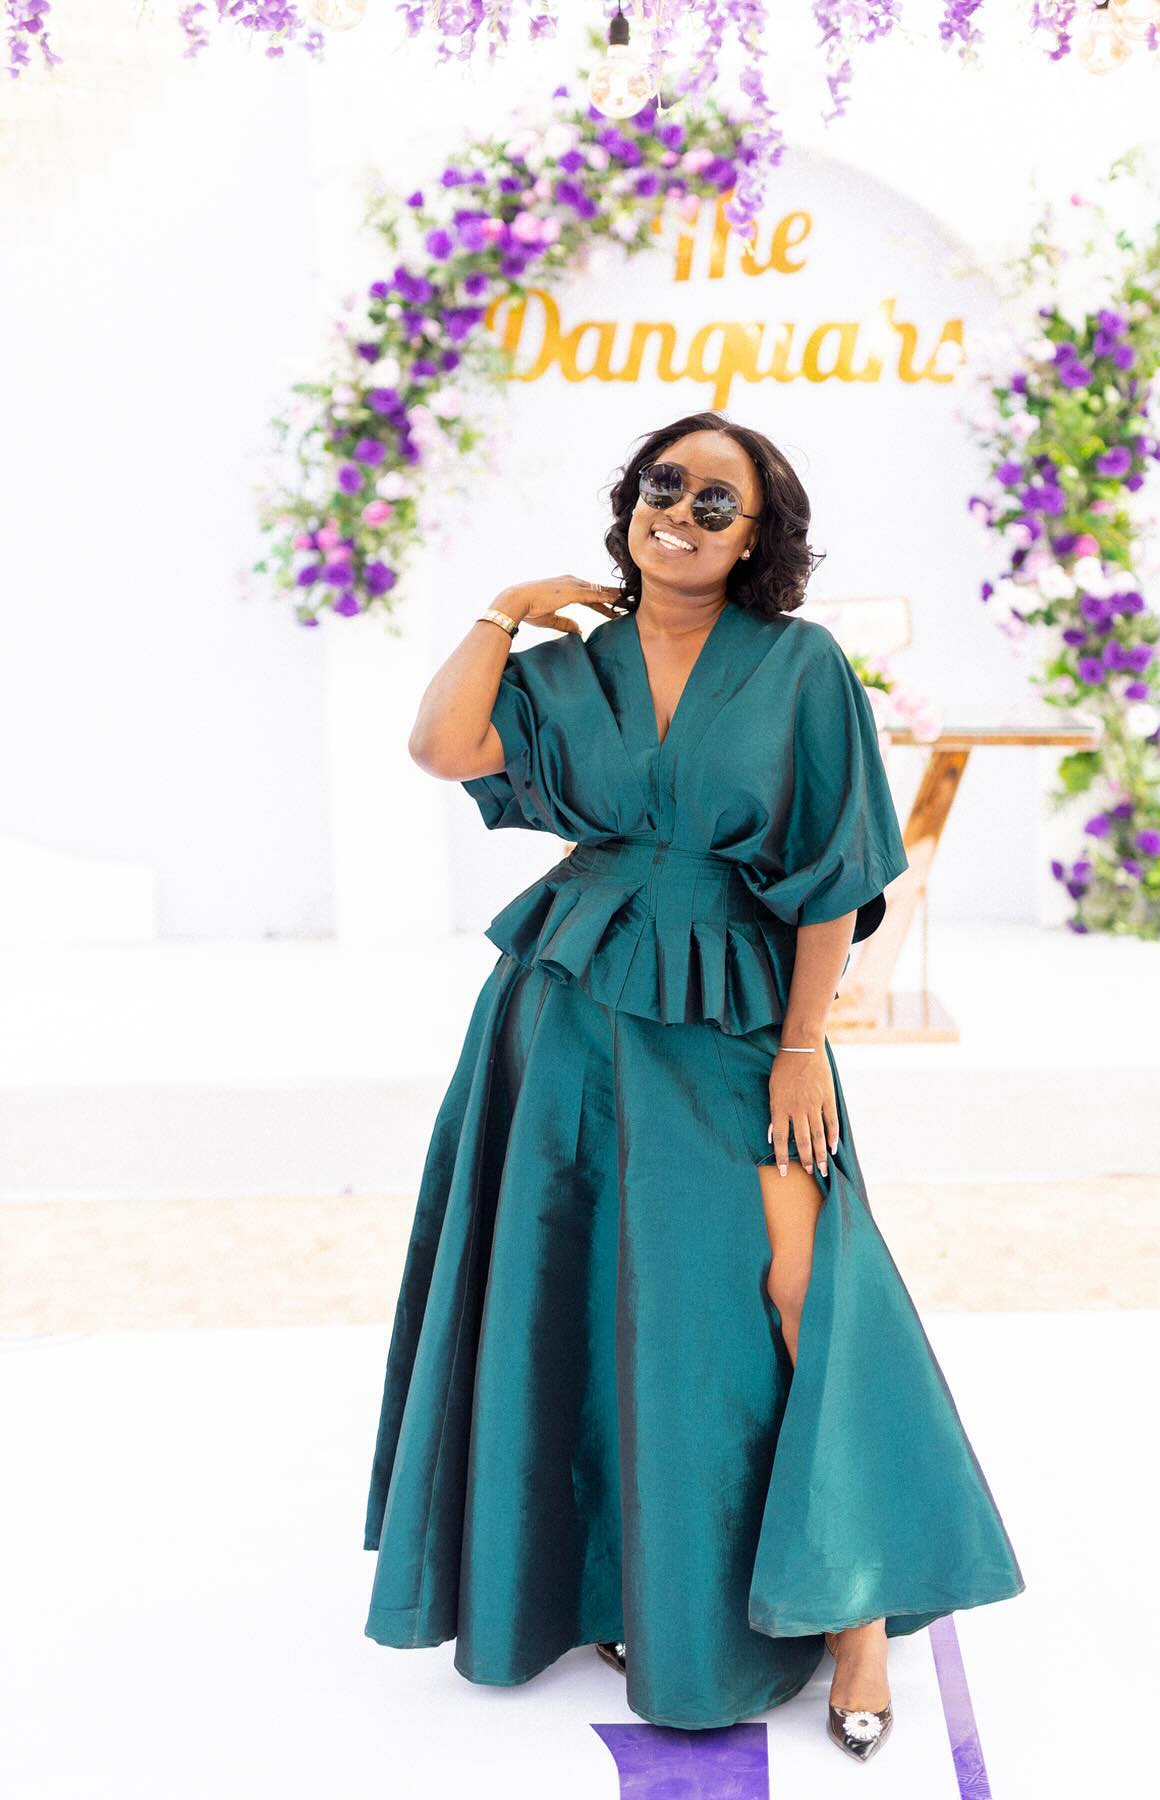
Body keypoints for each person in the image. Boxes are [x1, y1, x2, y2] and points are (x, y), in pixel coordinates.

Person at [362, 411, 1025, 1763]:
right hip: (561, 1011)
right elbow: (441, 746)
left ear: (758, 535)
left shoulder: (799, 666)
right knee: (590, 1288)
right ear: (630, 504)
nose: (680, 512)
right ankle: (620, 1583)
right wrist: (501, 611)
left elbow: (836, 877)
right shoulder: (569, 667)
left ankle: (855, 1609)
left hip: (734, 1010)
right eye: (663, 485)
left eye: (716, 499)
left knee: (801, 1283)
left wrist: (802, 1047)